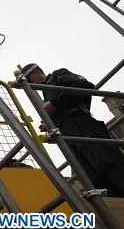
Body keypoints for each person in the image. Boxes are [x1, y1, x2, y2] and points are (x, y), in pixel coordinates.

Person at [21, 63, 124, 196]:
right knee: (92, 175)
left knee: (108, 162)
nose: (30, 84)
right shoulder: (46, 94)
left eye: (30, 79)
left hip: (82, 125)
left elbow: (84, 86)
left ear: (36, 72)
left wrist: (55, 103)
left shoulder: (58, 76)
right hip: (67, 134)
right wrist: (50, 122)